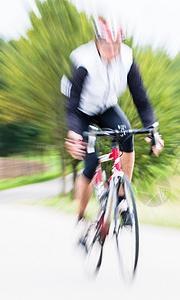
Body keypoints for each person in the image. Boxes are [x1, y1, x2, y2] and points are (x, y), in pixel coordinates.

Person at [64, 16, 164, 241]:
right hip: (80, 111)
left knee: (127, 136)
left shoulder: (126, 58)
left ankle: (121, 200)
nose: (112, 52)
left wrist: (152, 130)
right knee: (90, 164)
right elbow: (71, 107)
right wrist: (73, 133)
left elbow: (142, 100)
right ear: (96, 42)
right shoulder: (82, 60)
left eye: (116, 46)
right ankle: (80, 219)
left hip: (106, 107)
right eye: (107, 46)